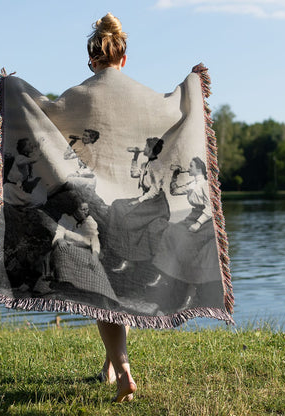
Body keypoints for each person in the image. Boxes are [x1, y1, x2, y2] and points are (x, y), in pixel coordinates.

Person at [86, 12, 137, 403]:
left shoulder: (79, 95)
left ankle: (123, 372)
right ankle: (108, 365)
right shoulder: (140, 95)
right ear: (123, 58)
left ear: (92, 60)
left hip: (95, 209)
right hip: (133, 208)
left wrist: (12, 91)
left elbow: (44, 123)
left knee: (103, 299)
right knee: (117, 292)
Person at [152, 156, 221, 309]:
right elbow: (175, 191)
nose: (189, 168)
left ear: (198, 168)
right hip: (193, 216)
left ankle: (190, 294)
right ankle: (164, 273)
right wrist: (175, 175)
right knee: (170, 231)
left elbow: (211, 208)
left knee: (186, 243)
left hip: (206, 221)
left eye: (191, 166)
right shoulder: (192, 184)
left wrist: (198, 223)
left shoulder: (205, 185)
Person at [107, 137, 170, 273]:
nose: (144, 149)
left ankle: (129, 259)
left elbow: (155, 190)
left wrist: (139, 201)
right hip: (147, 199)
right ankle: (117, 249)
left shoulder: (158, 166)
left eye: (146, 147)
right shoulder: (146, 164)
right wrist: (135, 157)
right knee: (117, 204)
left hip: (156, 204)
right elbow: (134, 174)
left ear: (151, 149)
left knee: (129, 219)